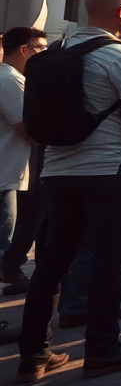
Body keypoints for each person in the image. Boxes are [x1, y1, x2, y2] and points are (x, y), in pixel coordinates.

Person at [17, 0, 121, 382]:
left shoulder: (52, 55)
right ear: (120, 12)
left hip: (58, 172)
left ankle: (33, 354)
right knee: (108, 259)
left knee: (52, 260)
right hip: (106, 171)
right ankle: (102, 347)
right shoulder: (116, 54)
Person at [0, 28, 43, 289]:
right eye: (40, 48)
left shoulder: (10, 77)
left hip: (9, 171)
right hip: (4, 173)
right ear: (24, 50)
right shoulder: (9, 79)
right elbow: (28, 128)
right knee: (2, 241)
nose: (44, 54)